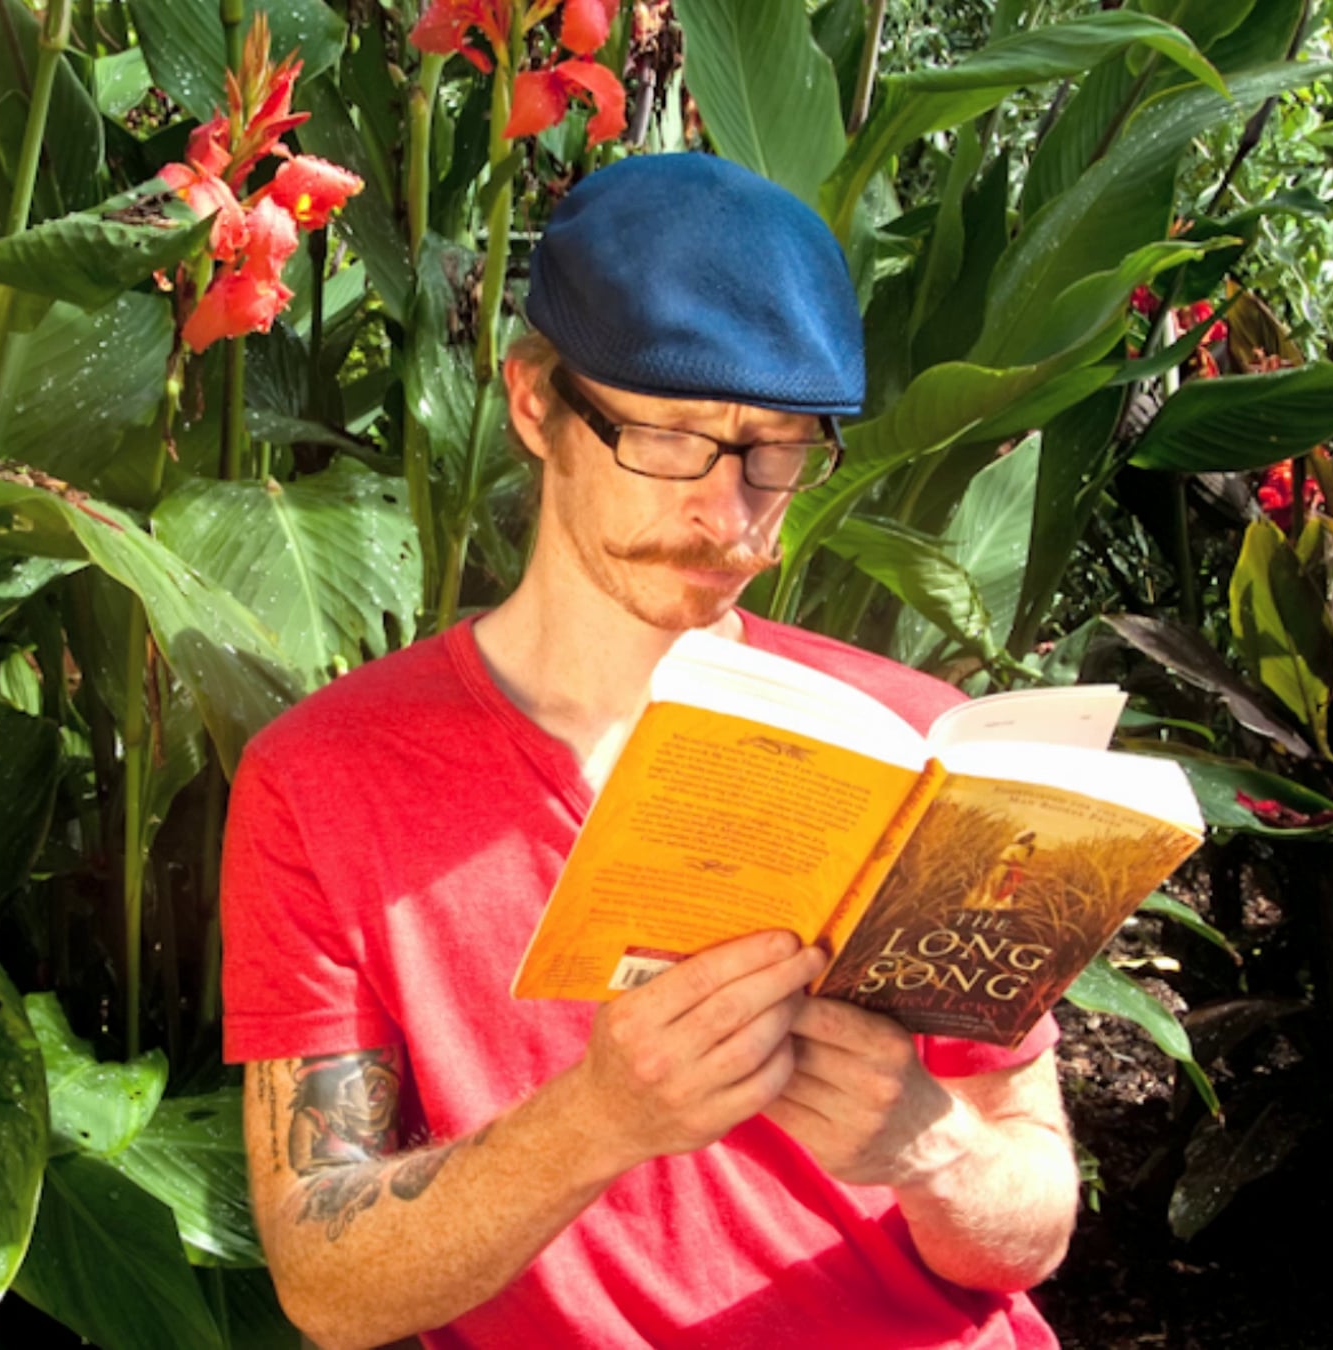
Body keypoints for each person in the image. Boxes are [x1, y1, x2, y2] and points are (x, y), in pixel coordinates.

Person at [222, 153, 1078, 1350]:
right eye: (670, 438)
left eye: (775, 451)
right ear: (535, 403)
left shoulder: (915, 747)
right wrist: (597, 1121)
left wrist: (928, 1150)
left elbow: (1031, 1232)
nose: (729, 514)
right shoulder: (324, 781)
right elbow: (327, 1286)